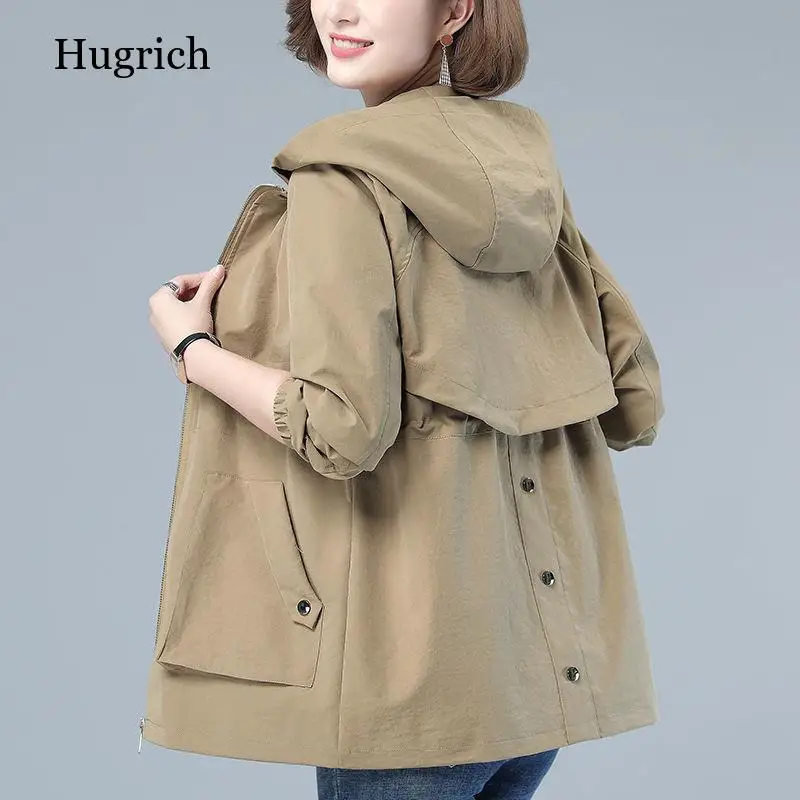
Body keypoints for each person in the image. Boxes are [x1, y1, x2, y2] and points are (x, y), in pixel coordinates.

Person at [142, 1, 665, 799]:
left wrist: (195, 349)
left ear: (454, 11)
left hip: (411, 695)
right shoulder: (522, 168)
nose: (342, 11)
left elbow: (341, 428)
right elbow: (635, 400)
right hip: (536, 684)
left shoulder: (342, 181)